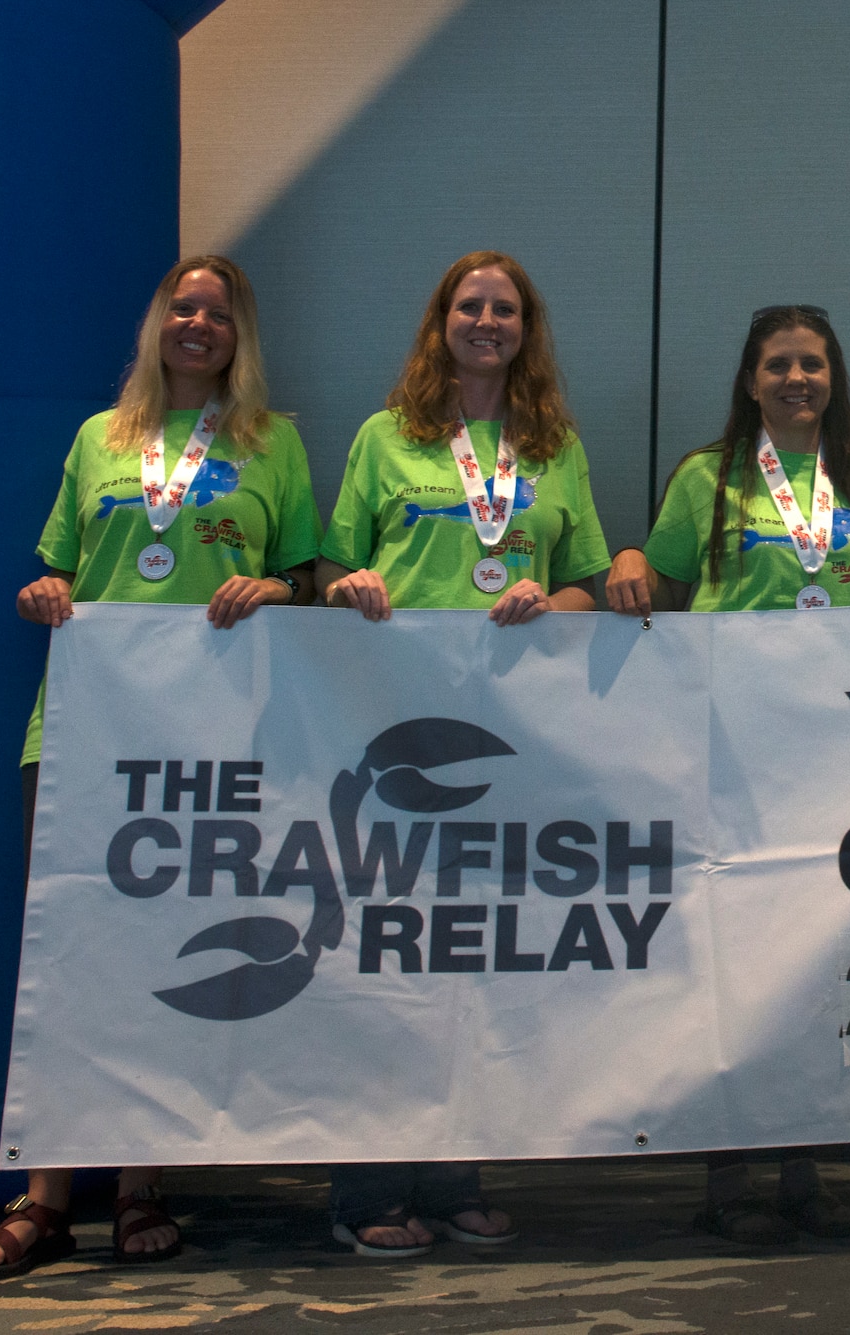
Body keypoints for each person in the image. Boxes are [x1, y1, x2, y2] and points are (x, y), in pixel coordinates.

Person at [0, 256, 320, 1281]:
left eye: (217, 311)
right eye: (183, 307)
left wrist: (277, 584)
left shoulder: (273, 444)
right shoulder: (100, 440)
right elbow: (65, 568)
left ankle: (141, 1184)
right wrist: (44, 592)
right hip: (87, 732)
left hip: (213, 744)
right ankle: (44, 1197)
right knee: (69, 954)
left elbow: (307, 568)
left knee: (172, 959)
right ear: (158, 323)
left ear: (239, 333)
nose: (198, 322)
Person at [316, 250, 610, 1256]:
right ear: (440, 319)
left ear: (527, 329)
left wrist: (550, 599)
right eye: (471, 305)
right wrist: (348, 584)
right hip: (391, 733)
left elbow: (583, 584)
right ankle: (367, 1189)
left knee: (472, 962)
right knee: (385, 956)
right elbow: (330, 562)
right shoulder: (383, 439)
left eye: (507, 309)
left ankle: (451, 1175)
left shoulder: (553, 445)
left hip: (505, 744)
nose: (488, 321)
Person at [607, 304, 850, 1244]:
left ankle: (804, 1170)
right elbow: (656, 584)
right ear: (750, 380)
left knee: (820, 965)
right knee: (729, 967)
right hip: (731, 758)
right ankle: (727, 1179)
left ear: (834, 377)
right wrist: (623, 557)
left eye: (812, 364)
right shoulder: (709, 476)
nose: (796, 379)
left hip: (838, 760)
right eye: (778, 364)